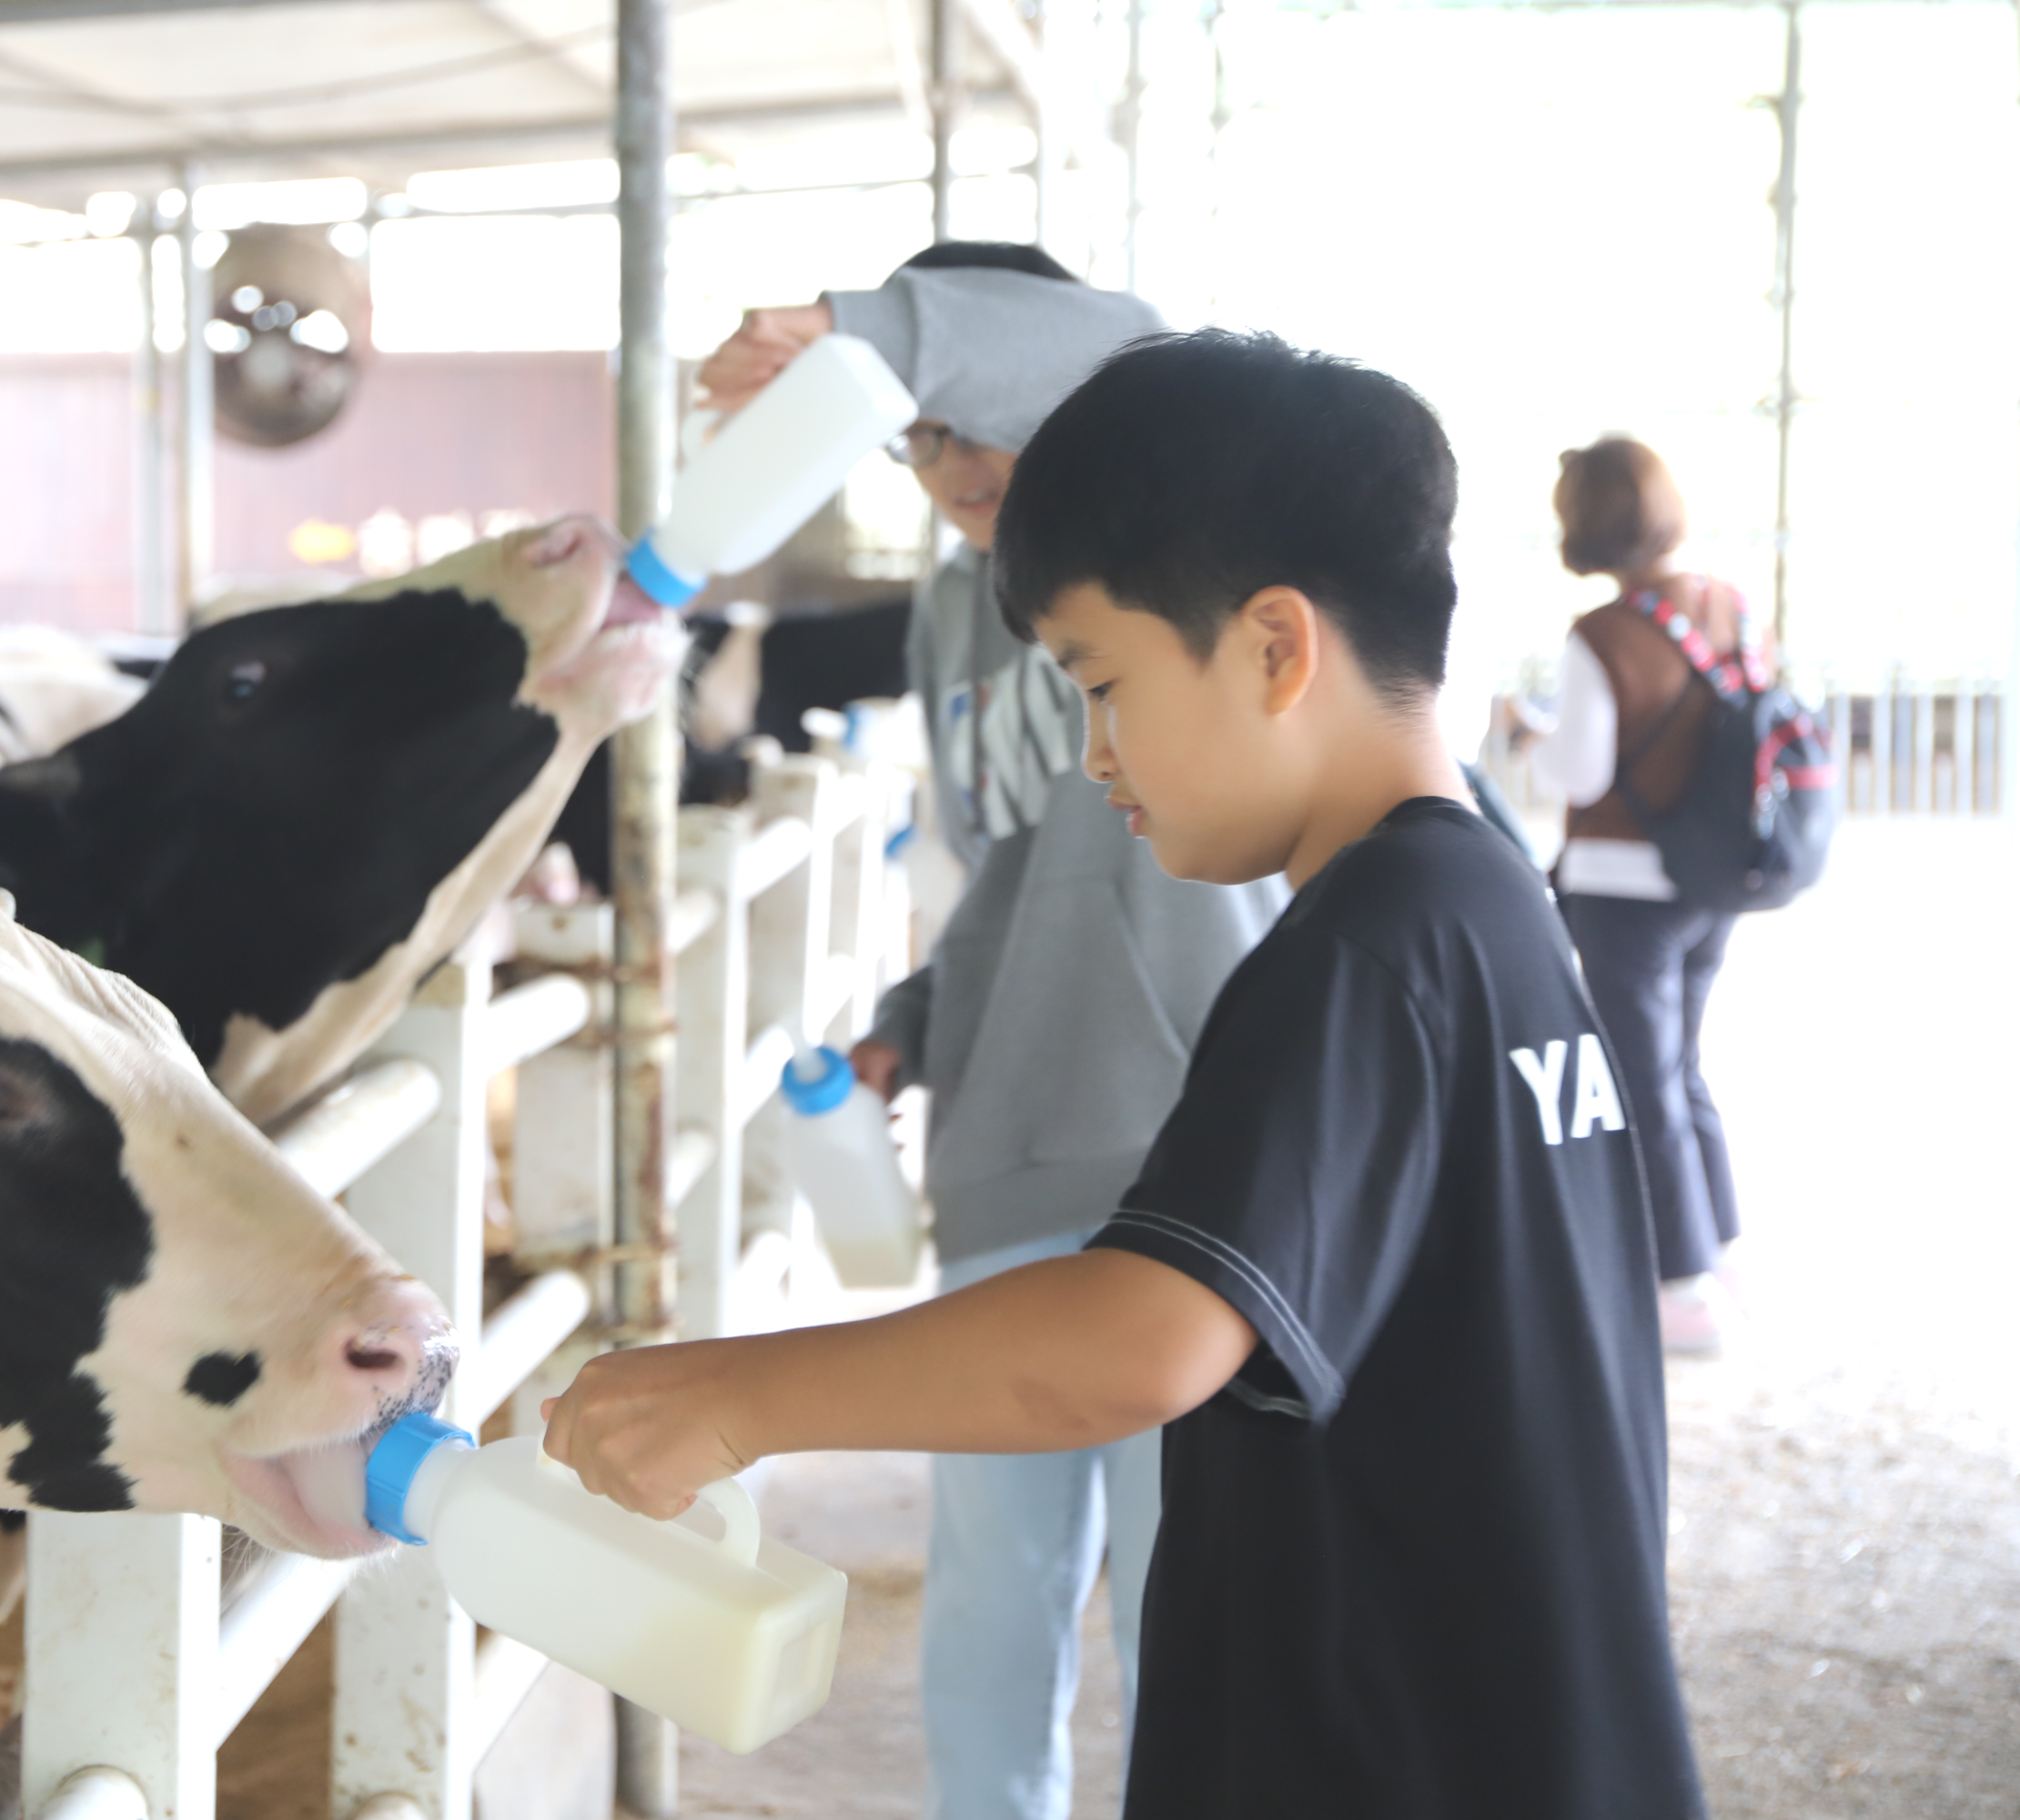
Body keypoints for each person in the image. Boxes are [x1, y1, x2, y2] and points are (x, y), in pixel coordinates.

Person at [544, 330, 1705, 1820]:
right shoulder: (1489, 913)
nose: (1096, 759)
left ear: (1276, 649)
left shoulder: (1359, 954)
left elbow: (1139, 1337)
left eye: (1103, 684)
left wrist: (738, 1395)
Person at [698, 244, 1283, 1819]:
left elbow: (1133, 338)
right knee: (988, 1613)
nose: (951, 461)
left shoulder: (1179, 533)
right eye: (917, 434)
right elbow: (1000, 875)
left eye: (971, 411)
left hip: (1198, 1156)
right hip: (1004, 1155)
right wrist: (909, 1023)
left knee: (1186, 1604)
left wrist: (860, 333)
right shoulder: (958, 612)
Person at [1530, 437, 1751, 1355]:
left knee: (1641, 1076)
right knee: (1680, 1063)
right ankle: (1717, 1245)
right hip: (1712, 874)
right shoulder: (1725, 604)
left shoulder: (1603, 633)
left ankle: (1679, 1289)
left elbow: (1580, 770)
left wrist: (1533, 740)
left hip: (1623, 886)